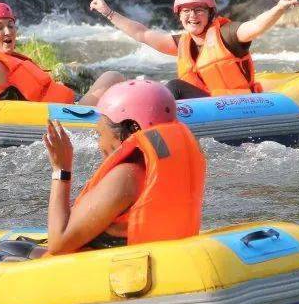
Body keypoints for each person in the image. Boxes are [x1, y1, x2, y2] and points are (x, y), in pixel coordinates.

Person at [42, 79, 205, 255]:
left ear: (132, 128)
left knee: (10, 252)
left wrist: (61, 169)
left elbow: (58, 243)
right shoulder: (165, 167)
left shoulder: (126, 177)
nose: (99, 144)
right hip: (162, 259)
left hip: (111, 271)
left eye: (100, 133)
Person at [88, 0, 299, 99]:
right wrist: (108, 13)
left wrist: (279, 8)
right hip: (206, 107)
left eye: (199, 10)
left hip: (238, 105)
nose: (192, 16)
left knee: (174, 86)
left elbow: (255, 26)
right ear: (179, 16)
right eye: (186, 11)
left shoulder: (228, 34)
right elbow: (141, 34)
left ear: (210, 14)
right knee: (156, 87)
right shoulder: (182, 43)